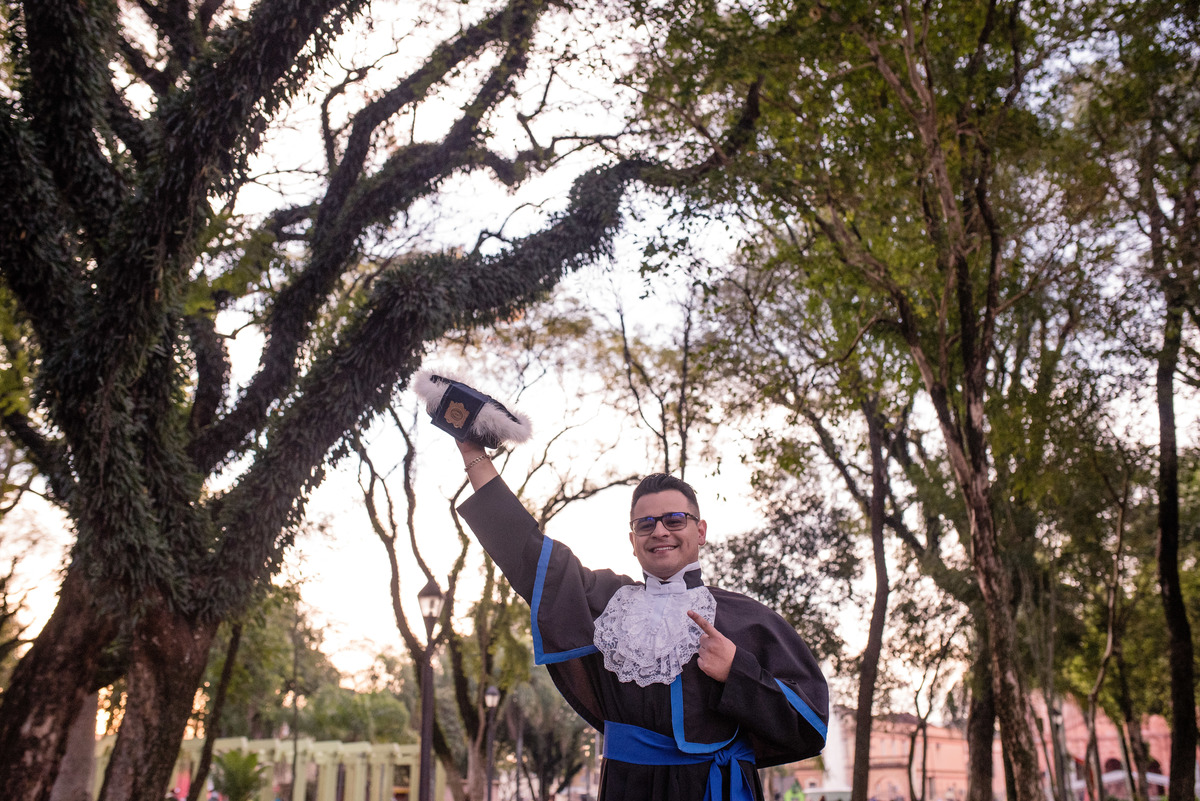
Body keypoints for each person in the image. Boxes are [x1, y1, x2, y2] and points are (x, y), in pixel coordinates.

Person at [452, 436, 829, 801]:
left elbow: (810, 725)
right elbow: (525, 552)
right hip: (625, 788)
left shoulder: (749, 619)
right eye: (645, 524)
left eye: (675, 520)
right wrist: (473, 453)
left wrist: (737, 670)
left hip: (714, 789)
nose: (659, 531)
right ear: (632, 541)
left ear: (700, 532)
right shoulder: (607, 603)